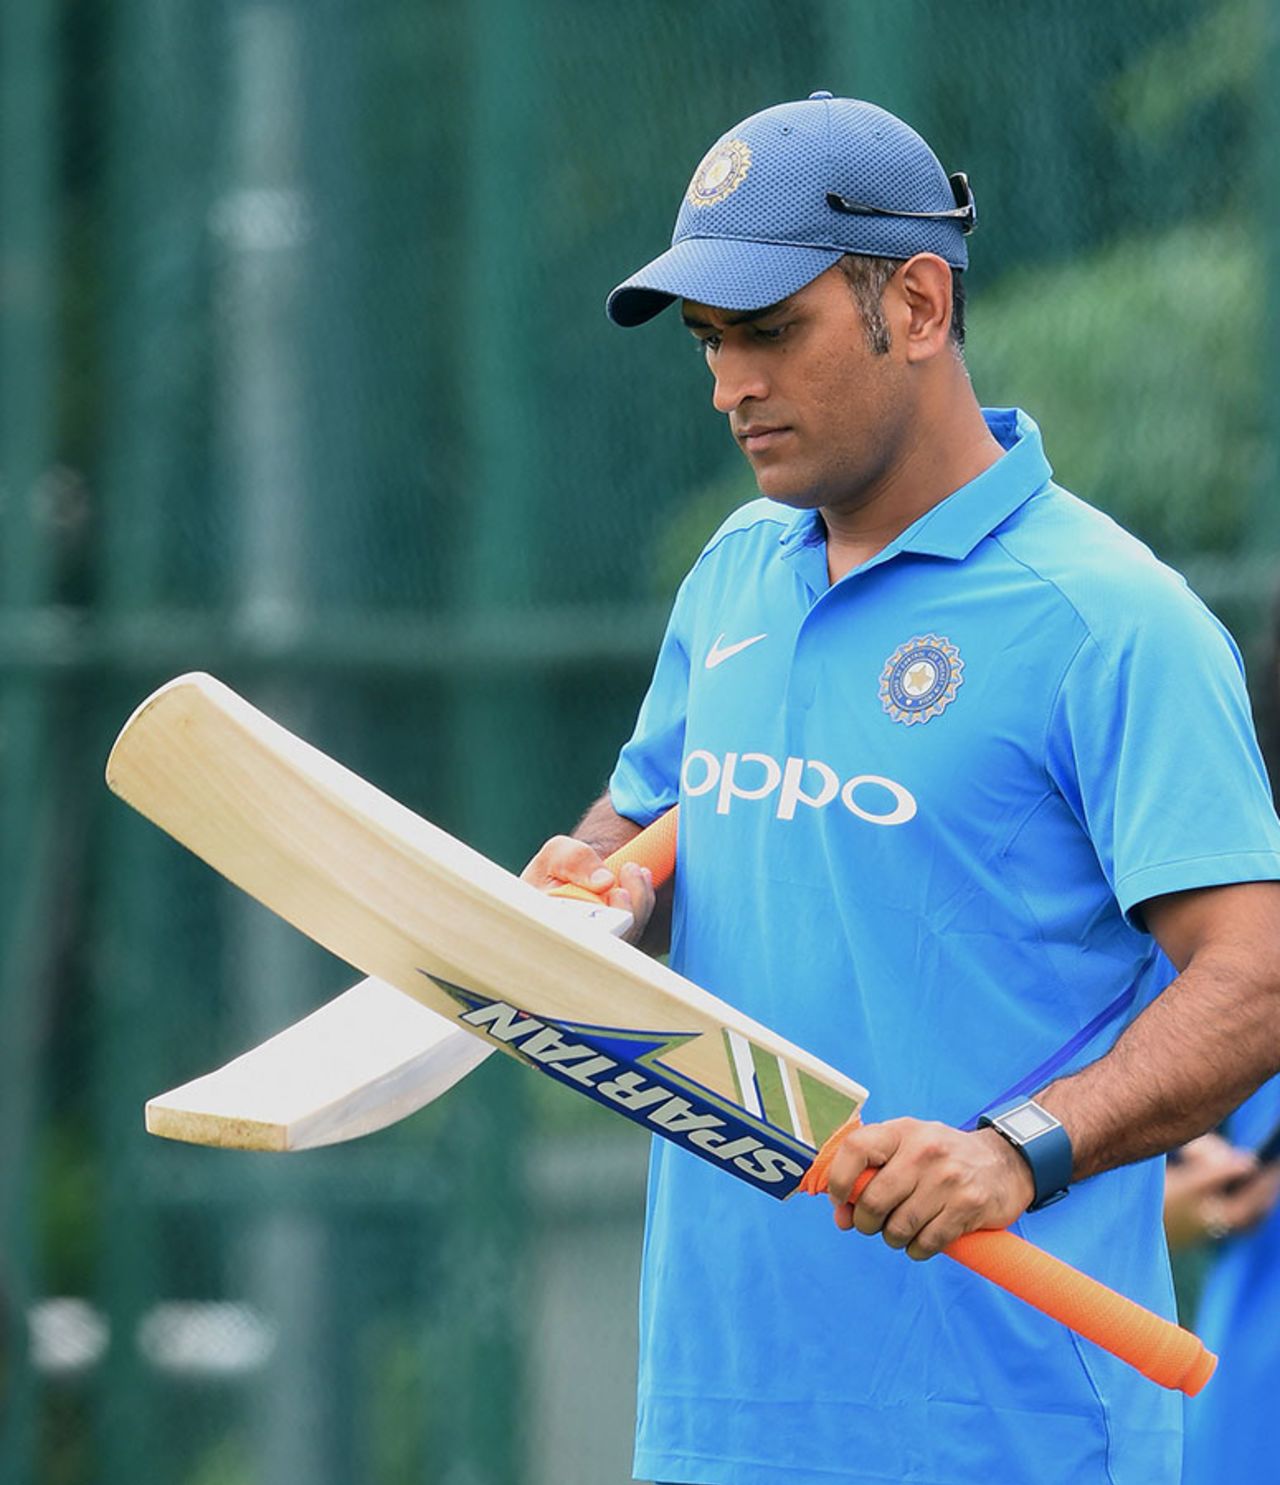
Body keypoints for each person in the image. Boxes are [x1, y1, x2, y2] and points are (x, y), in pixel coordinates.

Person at [521, 93, 1280, 1484]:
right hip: (717, 1423)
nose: (727, 384)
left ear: (918, 302)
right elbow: (628, 837)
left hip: (1014, 1437)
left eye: (768, 330)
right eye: (708, 342)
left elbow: (1256, 977)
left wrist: (1017, 1149)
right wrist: (586, 903)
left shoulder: (1112, 621)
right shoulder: (735, 573)